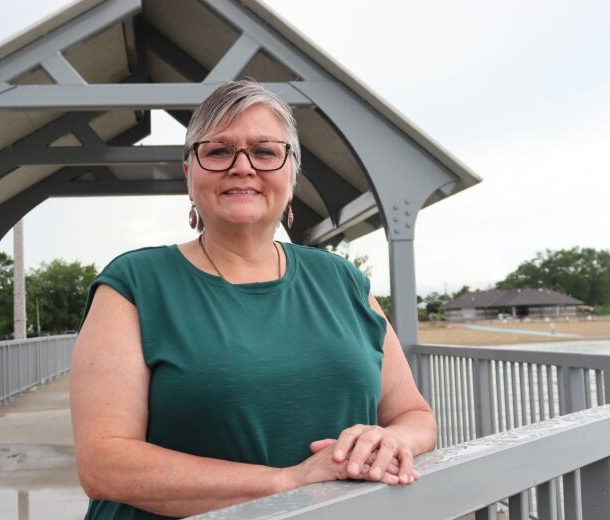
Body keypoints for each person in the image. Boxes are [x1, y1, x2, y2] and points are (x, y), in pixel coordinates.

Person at [70, 81, 436, 520]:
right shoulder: (134, 284)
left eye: (264, 152)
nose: (242, 167)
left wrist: (396, 441)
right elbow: (104, 465)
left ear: (291, 172)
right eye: (219, 151)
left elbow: (414, 414)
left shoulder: (343, 280)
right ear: (189, 172)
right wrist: (288, 484)